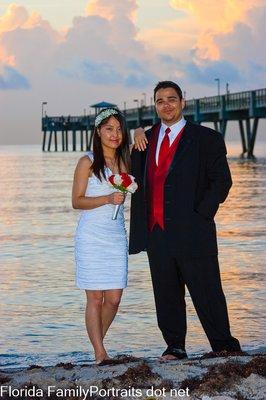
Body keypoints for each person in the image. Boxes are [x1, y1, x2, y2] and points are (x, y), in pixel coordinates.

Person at [129, 81, 241, 360]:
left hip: (194, 231)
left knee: (207, 291)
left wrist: (201, 215)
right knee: (166, 293)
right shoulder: (144, 140)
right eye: (160, 101)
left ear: (183, 102)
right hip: (156, 232)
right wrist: (137, 130)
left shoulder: (206, 138)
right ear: (154, 106)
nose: (166, 105)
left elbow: (222, 182)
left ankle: (223, 345)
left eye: (171, 99)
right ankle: (175, 346)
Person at [72, 108, 130, 364]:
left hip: (116, 236)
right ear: (98, 132)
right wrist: (107, 198)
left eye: (119, 129)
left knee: (114, 299)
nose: (115, 134)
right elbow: (77, 201)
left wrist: (139, 131)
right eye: (109, 129)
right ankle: (99, 353)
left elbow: (148, 139)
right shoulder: (87, 161)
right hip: (91, 236)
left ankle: (97, 344)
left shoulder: (125, 161)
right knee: (95, 298)